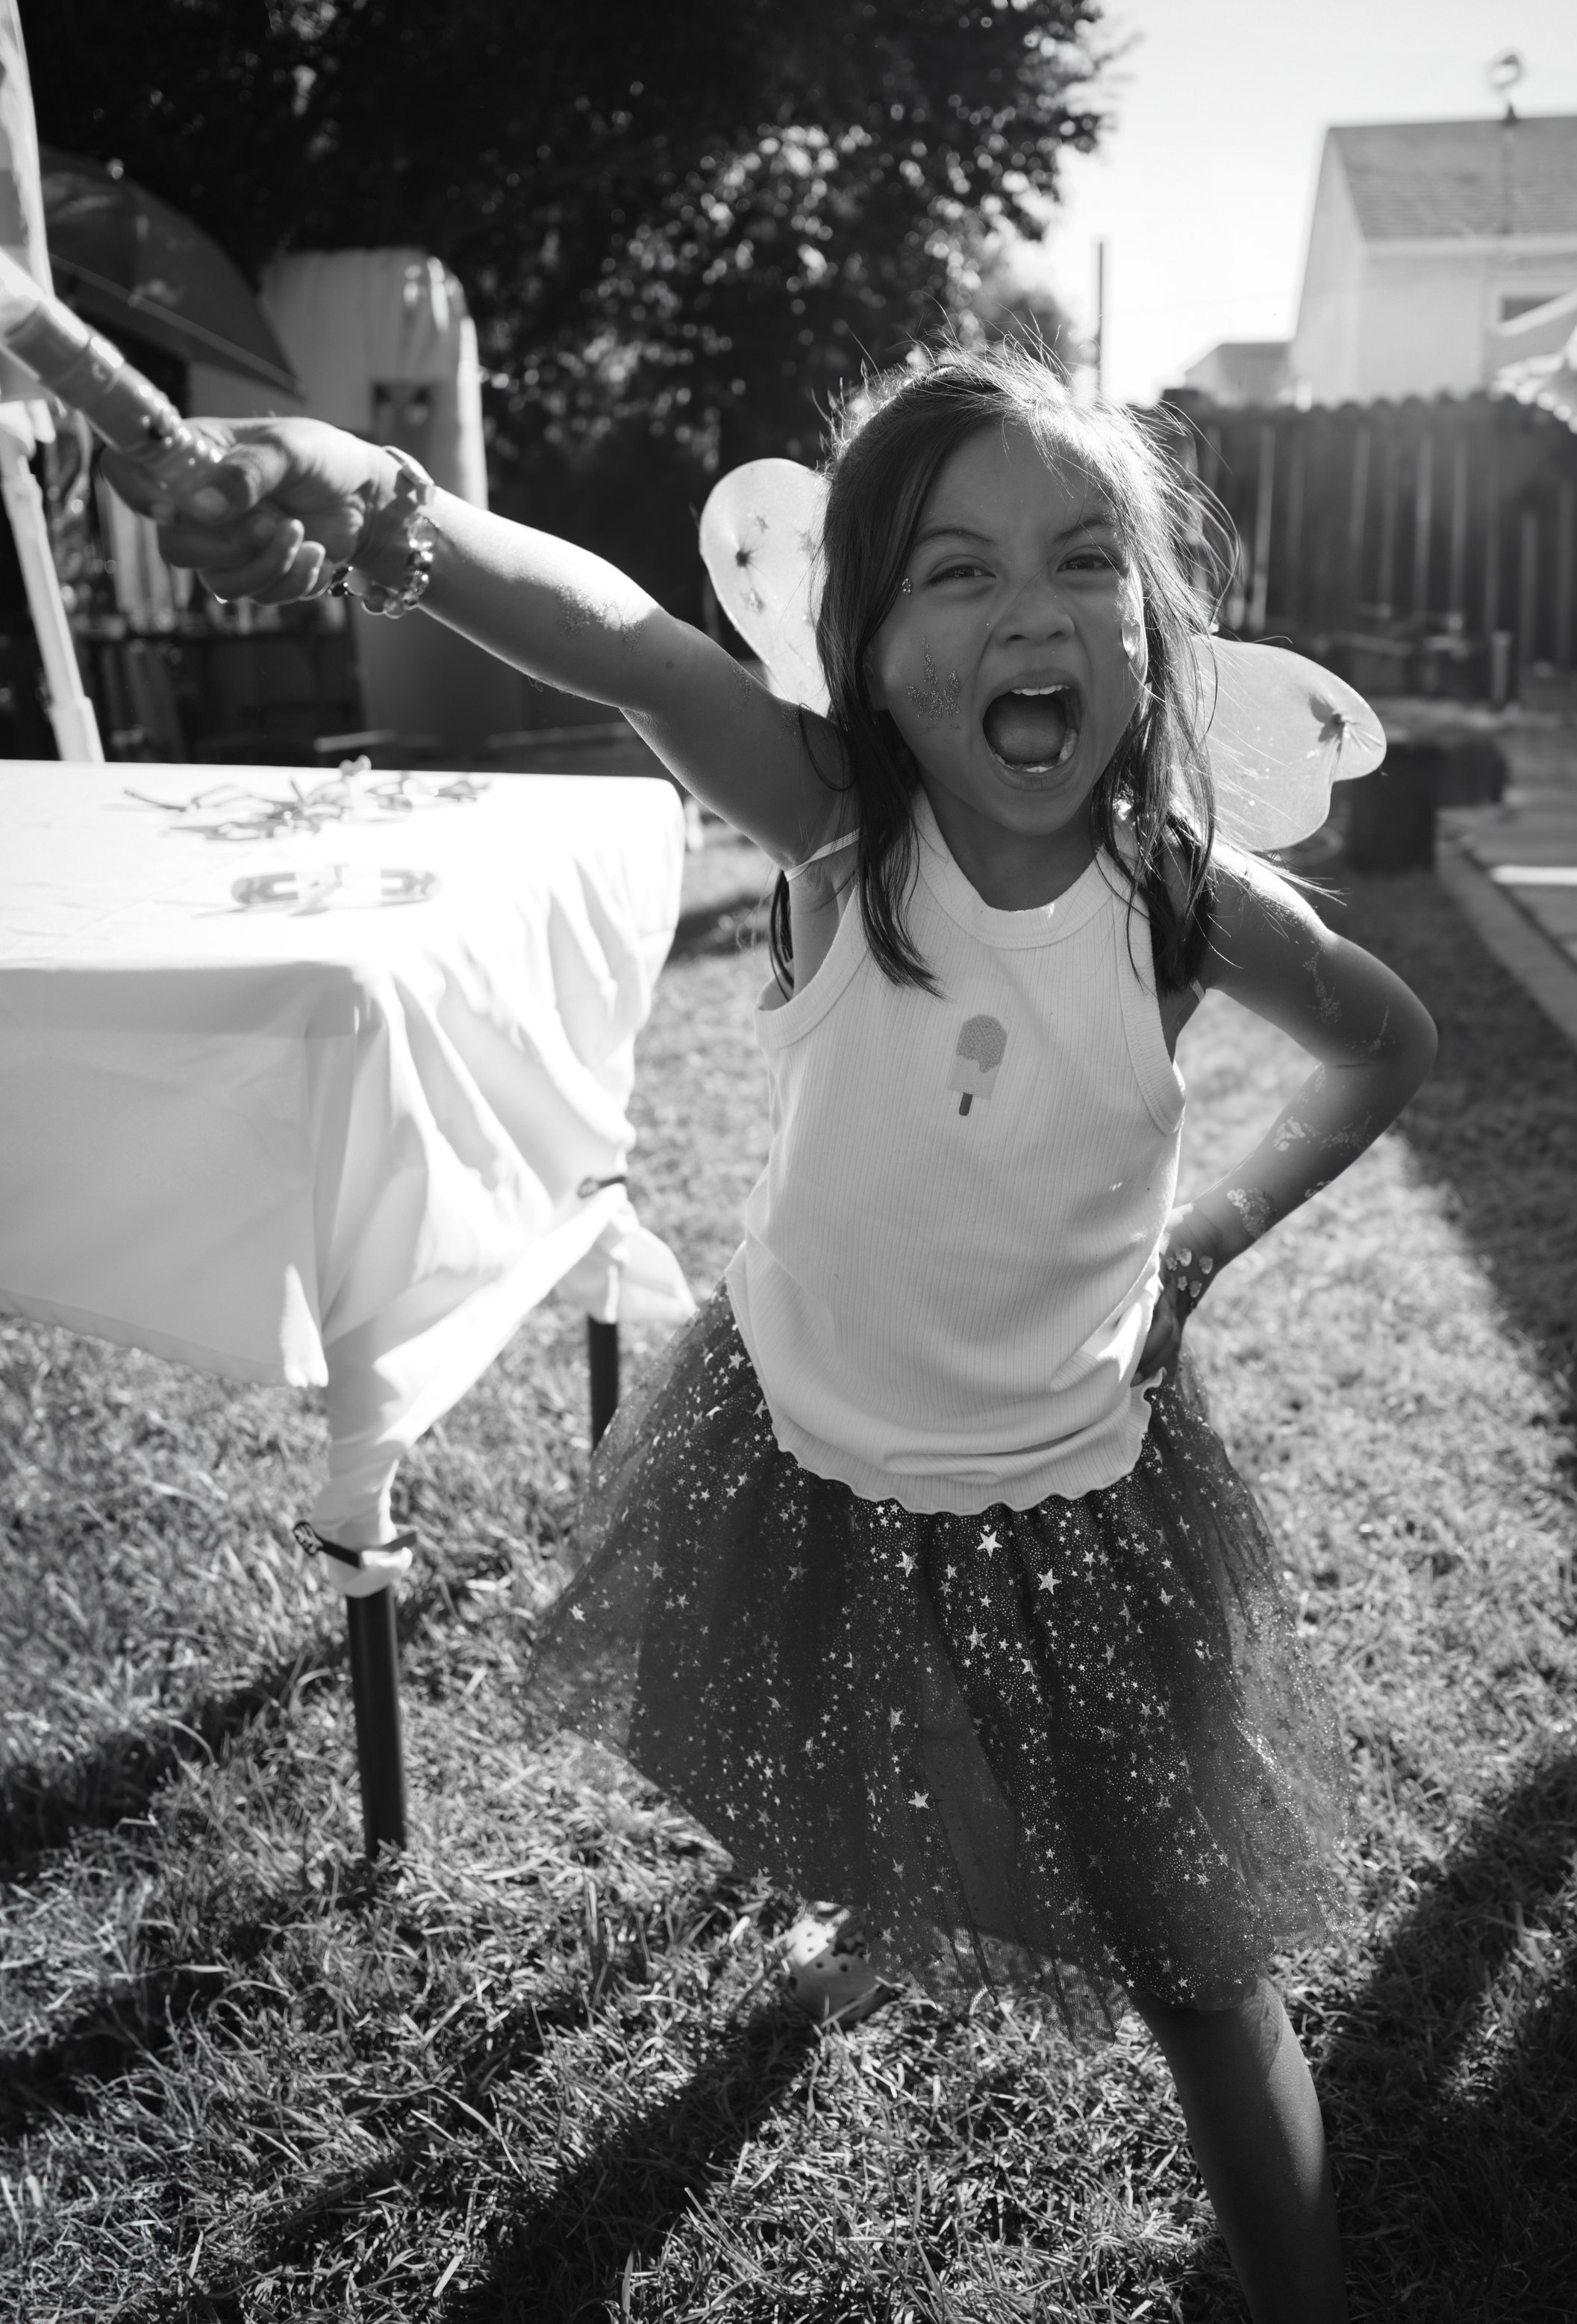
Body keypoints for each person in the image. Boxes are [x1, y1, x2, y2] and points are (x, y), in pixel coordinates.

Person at [135, 348, 1436, 2323]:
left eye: (1081, 562)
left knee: (1197, 1972)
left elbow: (1384, 1044)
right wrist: (363, 486)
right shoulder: (843, 837)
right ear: (870, 651)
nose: (1027, 612)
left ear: (1148, 630)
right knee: (845, 1746)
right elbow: (630, 646)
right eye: (952, 572)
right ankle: (877, 1901)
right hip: (815, 1441)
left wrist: (1218, 1233)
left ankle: (1299, 2292)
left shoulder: (1182, 902)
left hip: (1077, 1490)